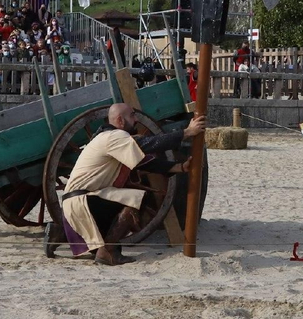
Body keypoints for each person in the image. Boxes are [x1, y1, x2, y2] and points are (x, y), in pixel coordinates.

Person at [57, 103, 205, 265]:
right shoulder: (114, 136)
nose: (136, 120)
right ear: (120, 120)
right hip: (82, 201)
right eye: (132, 115)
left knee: (129, 198)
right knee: (137, 199)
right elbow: (148, 145)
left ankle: (58, 234)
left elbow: (143, 163)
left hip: (79, 201)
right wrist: (187, 132)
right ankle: (108, 251)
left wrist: (179, 167)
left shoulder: (108, 138)